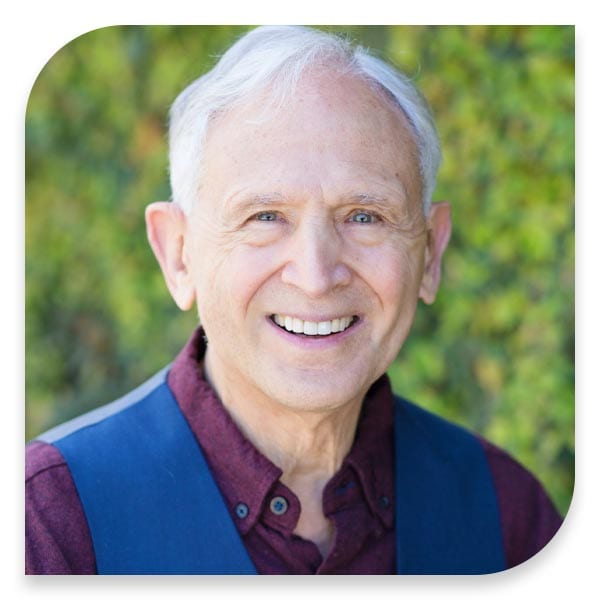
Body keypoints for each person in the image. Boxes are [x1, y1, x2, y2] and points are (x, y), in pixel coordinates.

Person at [25, 25, 563, 575]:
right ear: (178, 254)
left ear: (430, 252)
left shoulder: (508, 519)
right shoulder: (47, 526)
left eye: (364, 216)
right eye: (265, 217)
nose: (315, 276)